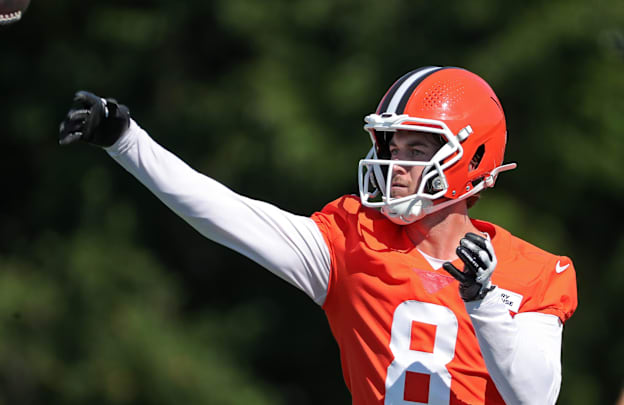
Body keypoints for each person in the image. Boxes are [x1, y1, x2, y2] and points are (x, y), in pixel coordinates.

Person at [59, 66, 577, 405]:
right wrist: (127, 142)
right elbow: (226, 213)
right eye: (392, 148)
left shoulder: (529, 272)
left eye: (418, 150)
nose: (395, 166)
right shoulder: (352, 240)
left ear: (474, 159)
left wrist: (482, 301)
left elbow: (536, 397)